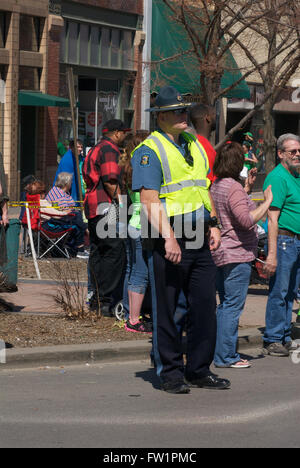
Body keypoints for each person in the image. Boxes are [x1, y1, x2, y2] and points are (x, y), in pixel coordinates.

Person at [131, 85, 230, 394]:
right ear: (160, 117)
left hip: (199, 236)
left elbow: (204, 187)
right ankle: (171, 372)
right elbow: (149, 199)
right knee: (168, 309)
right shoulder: (149, 150)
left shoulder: (195, 144)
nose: (183, 115)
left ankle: (199, 369)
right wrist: (169, 238)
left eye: (184, 110)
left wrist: (213, 223)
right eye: (176, 111)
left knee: (203, 307)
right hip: (169, 238)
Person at [211, 142, 273, 368]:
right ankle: (225, 356)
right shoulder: (231, 187)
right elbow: (247, 220)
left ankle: (219, 351)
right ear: (236, 162)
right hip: (236, 253)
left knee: (225, 305)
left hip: (221, 252)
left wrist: (247, 187)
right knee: (232, 306)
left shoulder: (219, 184)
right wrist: (267, 202)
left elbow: (232, 207)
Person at [82, 119, 131, 316]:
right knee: (114, 251)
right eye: (124, 133)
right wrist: (123, 205)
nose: (125, 136)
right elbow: (110, 181)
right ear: (117, 133)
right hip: (105, 207)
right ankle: (105, 299)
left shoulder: (96, 147)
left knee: (98, 251)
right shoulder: (110, 149)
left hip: (94, 207)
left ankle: (96, 298)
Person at [263, 133, 300, 356]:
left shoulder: (295, 175)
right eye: (292, 151)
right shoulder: (277, 177)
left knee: (290, 292)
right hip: (284, 241)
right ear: (280, 154)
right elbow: (272, 218)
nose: (297, 155)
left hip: (296, 241)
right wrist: (272, 253)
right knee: (280, 290)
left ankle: (285, 335)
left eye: (299, 151)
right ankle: (273, 338)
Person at [119, 132, 152, 334]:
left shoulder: (127, 168)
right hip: (142, 224)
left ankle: (129, 312)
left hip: (132, 222)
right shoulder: (141, 170)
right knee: (141, 273)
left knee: (131, 270)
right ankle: (133, 319)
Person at [46, 172, 88, 258]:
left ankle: (80, 250)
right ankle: (86, 236)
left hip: (65, 217)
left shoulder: (65, 193)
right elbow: (60, 209)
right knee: (77, 218)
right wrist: (71, 210)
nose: (72, 183)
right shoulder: (56, 192)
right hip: (55, 219)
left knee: (78, 218)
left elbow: (69, 207)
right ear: (66, 183)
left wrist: (72, 210)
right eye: (71, 181)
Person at [189, 103, 217, 184]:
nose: (216, 117)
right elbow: (210, 183)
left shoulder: (192, 143)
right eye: (213, 114)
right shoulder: (205, 148)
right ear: (207, 118)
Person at [54, 139, 85, 203]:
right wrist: (72, 200)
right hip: (67, 197)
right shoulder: (68, 160)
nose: (80, 149)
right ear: (71, 148)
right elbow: (67, 181)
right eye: (78, 147)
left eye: (81, 147)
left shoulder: (80, 158)